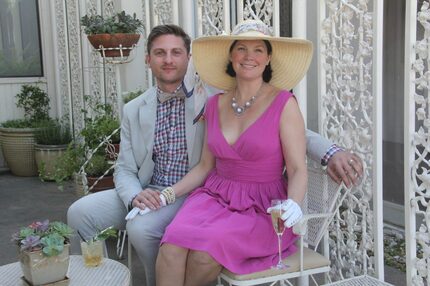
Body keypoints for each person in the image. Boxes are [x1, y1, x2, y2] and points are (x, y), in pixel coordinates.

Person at [67, 23, 362, 286]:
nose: (168, 60)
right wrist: (139, 196)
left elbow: (290, 139)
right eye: (160, 53)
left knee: (177, 245)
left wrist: (330, 152)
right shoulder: (149, 108)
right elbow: (125, 167)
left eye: (176, 53)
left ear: (188, 58)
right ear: (148, 60)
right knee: (91, 217)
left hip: (247, 201)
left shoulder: (211, 95)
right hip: (199, 193)